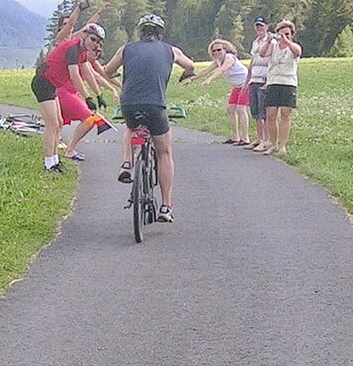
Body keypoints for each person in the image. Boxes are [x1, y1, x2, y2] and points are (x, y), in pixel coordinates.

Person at [103, 14, 195, 222]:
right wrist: (186, 74)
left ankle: (126, 163)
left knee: (131, 128)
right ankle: (166, 206)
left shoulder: (126, 49)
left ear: (140, 33)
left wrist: (116, 78)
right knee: (164, 152)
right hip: (155, 105)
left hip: (129, 104)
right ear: (160, 34)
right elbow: (190, 66)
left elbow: (107, 71)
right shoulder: (171, 50)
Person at [30, 23, 106, 172]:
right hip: (43, 82)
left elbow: (88, 74)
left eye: (98, 42)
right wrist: (87, 98)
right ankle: (48, 163)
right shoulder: (73, 48)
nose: (94, 44)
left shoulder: (82, 52)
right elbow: (75, 75)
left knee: (58, 123)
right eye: (92, 39)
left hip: (52, 85)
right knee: (52, 124)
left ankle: (55, 160)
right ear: (84, 35)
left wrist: (99, 95)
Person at [187, 38, 251, 145]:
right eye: (214, 51)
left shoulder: (230, 58)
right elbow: (206, 71)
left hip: (246, 84)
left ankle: (245, 138)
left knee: (241, 109)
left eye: (219, 50)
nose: (217, 52)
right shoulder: (217, 61)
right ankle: (235, 137)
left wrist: (209, 80)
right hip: (237, 86)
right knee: (231, 109)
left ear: (225, 49)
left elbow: (222, 70)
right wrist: (192, 79)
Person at [254, 19, 302, 156]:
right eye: (281, 34)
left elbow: (298, 52)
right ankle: (273, 144)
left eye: (287, 34)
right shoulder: (274, 46)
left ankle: (282, 146)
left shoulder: (293, 46)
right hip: (273, 82)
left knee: (286, 114)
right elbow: (262, 53)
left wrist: (287, 41)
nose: (284, 36)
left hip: (288, 83)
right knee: (270, 115)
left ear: (291, 34)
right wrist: (269, 41)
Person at [243, 17, 272, 150]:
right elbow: (252, 61)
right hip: (254, 79)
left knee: (263, 112)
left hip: (264, 79)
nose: (259, 28)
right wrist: (247, 80)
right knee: (255, 112)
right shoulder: (255, 42)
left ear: (267, 27)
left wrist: (269, 79)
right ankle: (259, 138)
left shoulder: (271, 41)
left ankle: (266, 140)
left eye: (261, 26)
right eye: (257, 26)